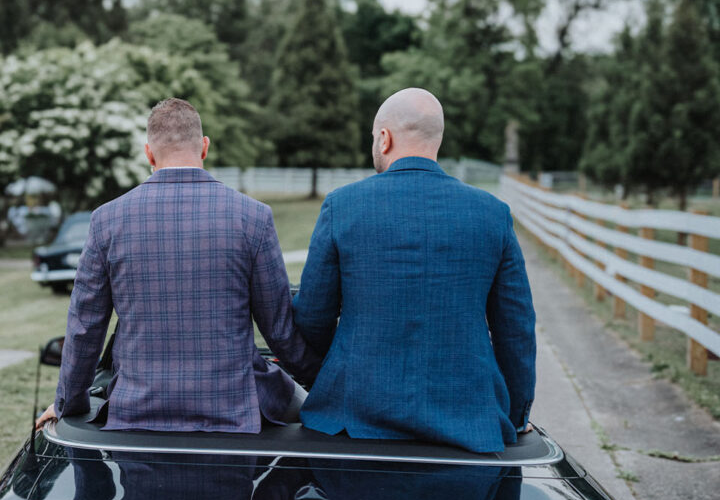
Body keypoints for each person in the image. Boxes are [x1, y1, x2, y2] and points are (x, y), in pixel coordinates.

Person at [36, 98, 319, 433]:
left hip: (136, 409)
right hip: (231, 408)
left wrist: (69, 403)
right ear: (204, 147)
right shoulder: (253, 216)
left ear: (149, 153)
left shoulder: (107, 219)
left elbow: (86, 328)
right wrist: (324, 382)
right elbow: (280, 330)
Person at [292, 88, 536, 454]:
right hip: (467, 422)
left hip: (355, 419)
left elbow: (313, 318)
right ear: (436, 140)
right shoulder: (492, 212)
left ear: (384, 138)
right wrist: (516, 416)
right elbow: (515, 330)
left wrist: (327, 382)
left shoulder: (342, 206)